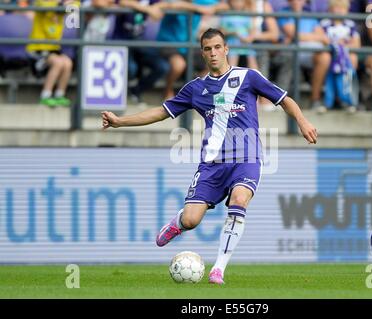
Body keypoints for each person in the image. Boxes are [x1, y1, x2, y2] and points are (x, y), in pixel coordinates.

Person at [102, 28, 318, 284]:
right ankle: (179, 223)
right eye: (208, 49)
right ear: (202, 53)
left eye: (217, 47)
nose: (213, 53)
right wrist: (120, 122)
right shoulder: (196, 88)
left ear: (226, 49)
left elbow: (284, 99)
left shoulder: (248, 77)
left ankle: (218, 269)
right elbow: (161, 112)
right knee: (192, 220)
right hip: (212, 165)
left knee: (239, 200)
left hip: (246, 160)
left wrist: (303, 122)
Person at [26, 0, 79, 108]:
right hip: (38, 50)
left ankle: (59, 95)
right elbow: (44, 4)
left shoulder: (63, 8)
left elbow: (77, 4)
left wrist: (68, 4)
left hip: (54, 49)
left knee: (68, 62)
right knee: (58, 62)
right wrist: (61, 5)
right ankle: (45, 95)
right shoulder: (45, 2)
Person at [320, 0, 360, 113]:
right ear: (330, 9)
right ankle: (327, 102)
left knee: (352, 60)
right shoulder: (324, 23)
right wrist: (335, 43)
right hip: (331, 56)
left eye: (342, 8)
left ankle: (349, 102)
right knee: (326, 61)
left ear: (347, 10)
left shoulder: (350, 25)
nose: (339, 10)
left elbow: (357, 43)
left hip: (345, 59)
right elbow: (322, 40)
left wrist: (344, 44)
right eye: (336, 7)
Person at [220, 0, 258, 69]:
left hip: (246, 43)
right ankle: (231, 78)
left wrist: (249, 38)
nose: (238, 4)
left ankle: (258, 79)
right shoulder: (227, 14)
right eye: (235, 1)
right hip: (233, 43)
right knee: (232, 66)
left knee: (253, 64)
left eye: (240, 1)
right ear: (230, 2)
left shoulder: (247, 15)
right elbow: (222, 31)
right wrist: (233, 32)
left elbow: (252, 29)